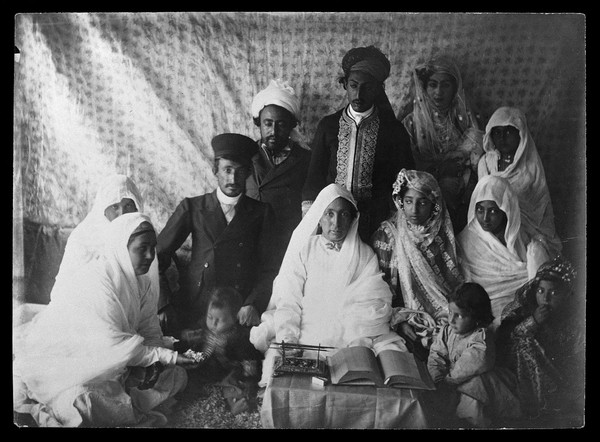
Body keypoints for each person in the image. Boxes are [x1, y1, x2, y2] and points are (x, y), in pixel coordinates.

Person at [13, 213, 197, 427]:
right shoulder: (97, 281)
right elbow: (112, 345)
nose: (149, 255)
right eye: (142, 248)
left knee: (177, 376)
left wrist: (156, 364)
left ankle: (125, 402)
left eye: (153, 247)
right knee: (83, 400)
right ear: (121, 248)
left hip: (120, 361)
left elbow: (149, 328)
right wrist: (168, 357)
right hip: (75, 366)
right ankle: (117, 404)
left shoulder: (142, 282)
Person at [250, 183, 408, 387]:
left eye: (343, 215)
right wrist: (289, 336)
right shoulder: (305, 249)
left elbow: (373, 299)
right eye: (329, 214)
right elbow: (289, 298)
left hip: (350, 327)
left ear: (352, 219)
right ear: (320, 216)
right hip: (308, 323)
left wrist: (350, 324)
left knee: (363, 367)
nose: (336, 223)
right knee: (295, 366)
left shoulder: (364, 254)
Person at [156, 133, 279, 336]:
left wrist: (253, 303)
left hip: (238, 312)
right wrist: (163, 303)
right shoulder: (193, 207)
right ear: (215, 170)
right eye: (227, 170)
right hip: (194, 308)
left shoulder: (261, 213)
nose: (232, 179)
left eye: (240, 172)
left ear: (249, 172)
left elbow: (271, 267)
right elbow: (157, 255)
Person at [302, 45, 414, 242]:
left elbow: (405, 181)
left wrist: (394, 222)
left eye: (367, 87)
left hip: (376, 222)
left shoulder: (394, 131)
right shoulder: (328, 126)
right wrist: (312, 221)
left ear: (379, 89)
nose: (359, 94)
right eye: (354, 85)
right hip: (334, 220)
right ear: (345, 84)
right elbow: (314, 177)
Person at [371, 169, 464, 357]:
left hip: (442, 316)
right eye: (408, 201)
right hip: (398, 317)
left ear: (434, 205)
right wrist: (400, 321)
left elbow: (451, 287)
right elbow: (380, 290)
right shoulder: (388, 235)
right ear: (400, 202)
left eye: (422, 203)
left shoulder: (442, 235)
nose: (413, 210)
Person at [402, 55, 484, 233]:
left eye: (445, 85)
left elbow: (477, 159)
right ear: (424, 87)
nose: (439, 92)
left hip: (462, 191)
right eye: (433, 85)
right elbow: (408, 166)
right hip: (423, 194)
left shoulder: (466, 120)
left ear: (455, 88)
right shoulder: (411, 123)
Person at [457, 175, 550, 331]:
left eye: (493, 211)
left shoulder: (520, 233)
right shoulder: (466, 240)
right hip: (488, 307)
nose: (485, 218)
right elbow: (466, 285)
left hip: (525, 305)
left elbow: (538, 276)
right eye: (480, 210)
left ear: (506, 210)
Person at [496, 256, 584, 418]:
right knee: (523, 341)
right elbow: (510, 339)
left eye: (554, 292)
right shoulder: (524, 311)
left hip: (562, 373)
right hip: (525, 376)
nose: (545, 298)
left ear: (566, 295)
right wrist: (533, 322)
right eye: (541, 291)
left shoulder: (576, 320)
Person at [426, 283, 521, 428]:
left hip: (477, 379)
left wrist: (447, 382)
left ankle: (475, 422)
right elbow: (436, 354)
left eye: (459, 316)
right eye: (450, 312)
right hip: (452, 378)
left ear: (476, 317)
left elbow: (473, 364)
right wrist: (437, 379)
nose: (451, 320)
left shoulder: (481, 337)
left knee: (472, 394)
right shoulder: (447, 331)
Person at [478, 106, 562, 256]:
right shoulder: (485, 163)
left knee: (534, 252)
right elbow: (482, 201)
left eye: (509, 132)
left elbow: (540, 206)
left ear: (521, 134)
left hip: (527, 228)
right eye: (497, 133)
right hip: (492, 223)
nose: (502, 138)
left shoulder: (531, 165)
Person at [246, 79, 311, 265]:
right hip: (251, 246)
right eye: (268, 123)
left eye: (281, 124)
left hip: (288, 248)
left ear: (291, 125)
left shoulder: (306, 160)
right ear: (258, 124)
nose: (273, 131)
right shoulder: (246, 155)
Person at [52, 174, 144, 296]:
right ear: (103, 209)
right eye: (115, 206)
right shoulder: (82, 239)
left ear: (137, 207)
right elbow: (67, 289)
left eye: (128, 205)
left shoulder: (141, 235)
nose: (122, 213)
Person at [178, 286, 263, 415]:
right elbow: (194, 342)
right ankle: (185, 397)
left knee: (235, 386)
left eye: (220, 320)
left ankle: (236, 406)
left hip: (229, 370)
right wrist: (187, 336)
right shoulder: (203, 326)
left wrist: (249, 381)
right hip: (206, 365)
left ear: (234, 319)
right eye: (210, 317)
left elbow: (249, 361)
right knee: (186, 374)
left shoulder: (239, 337)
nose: (213, 323)